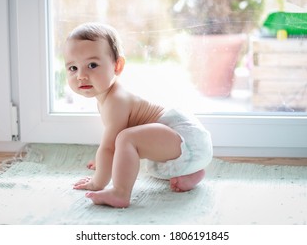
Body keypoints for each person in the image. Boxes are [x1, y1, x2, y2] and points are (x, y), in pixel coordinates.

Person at [65, 22, 213, 208]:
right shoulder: (106, 97)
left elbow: (109, 147)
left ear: (117, 66)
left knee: (125, 138)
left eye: (92, 65)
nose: (81, 75)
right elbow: (114, 150)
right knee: (127, 151)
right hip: (187, 150)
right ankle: (191, 172)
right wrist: (104, 163)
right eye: (73, 68)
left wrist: (98, 181)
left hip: (187, 140)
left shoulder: (116, 100)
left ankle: (120, 192)